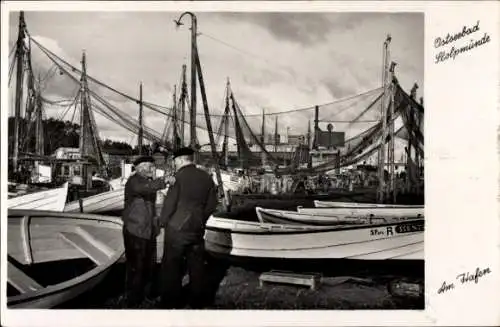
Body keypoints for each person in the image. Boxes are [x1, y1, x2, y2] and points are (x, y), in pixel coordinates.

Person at [159, 147, 218, 309]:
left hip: (176, 228)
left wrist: (162, 222)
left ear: (179, 160)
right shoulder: (206, 177)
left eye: (175, 161)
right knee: (197, 265)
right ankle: (198, 301)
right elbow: (212, 205)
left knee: (171, 266)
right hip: (197, 228)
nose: (174, 164)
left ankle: (171, 302)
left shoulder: (178, 177)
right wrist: (200, 219)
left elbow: (170, 204)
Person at [122, 156, 166, 308]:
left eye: (152, 167)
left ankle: (146, 295)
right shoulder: (134, 181)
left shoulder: (148, 182)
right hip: (135, 231)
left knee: (148, 265)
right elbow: (143, 189)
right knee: (136, 265)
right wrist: (164, 181)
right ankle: (133, 299)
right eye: (149, 167)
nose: (152, 169)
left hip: (148, 231)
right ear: (139, 168)